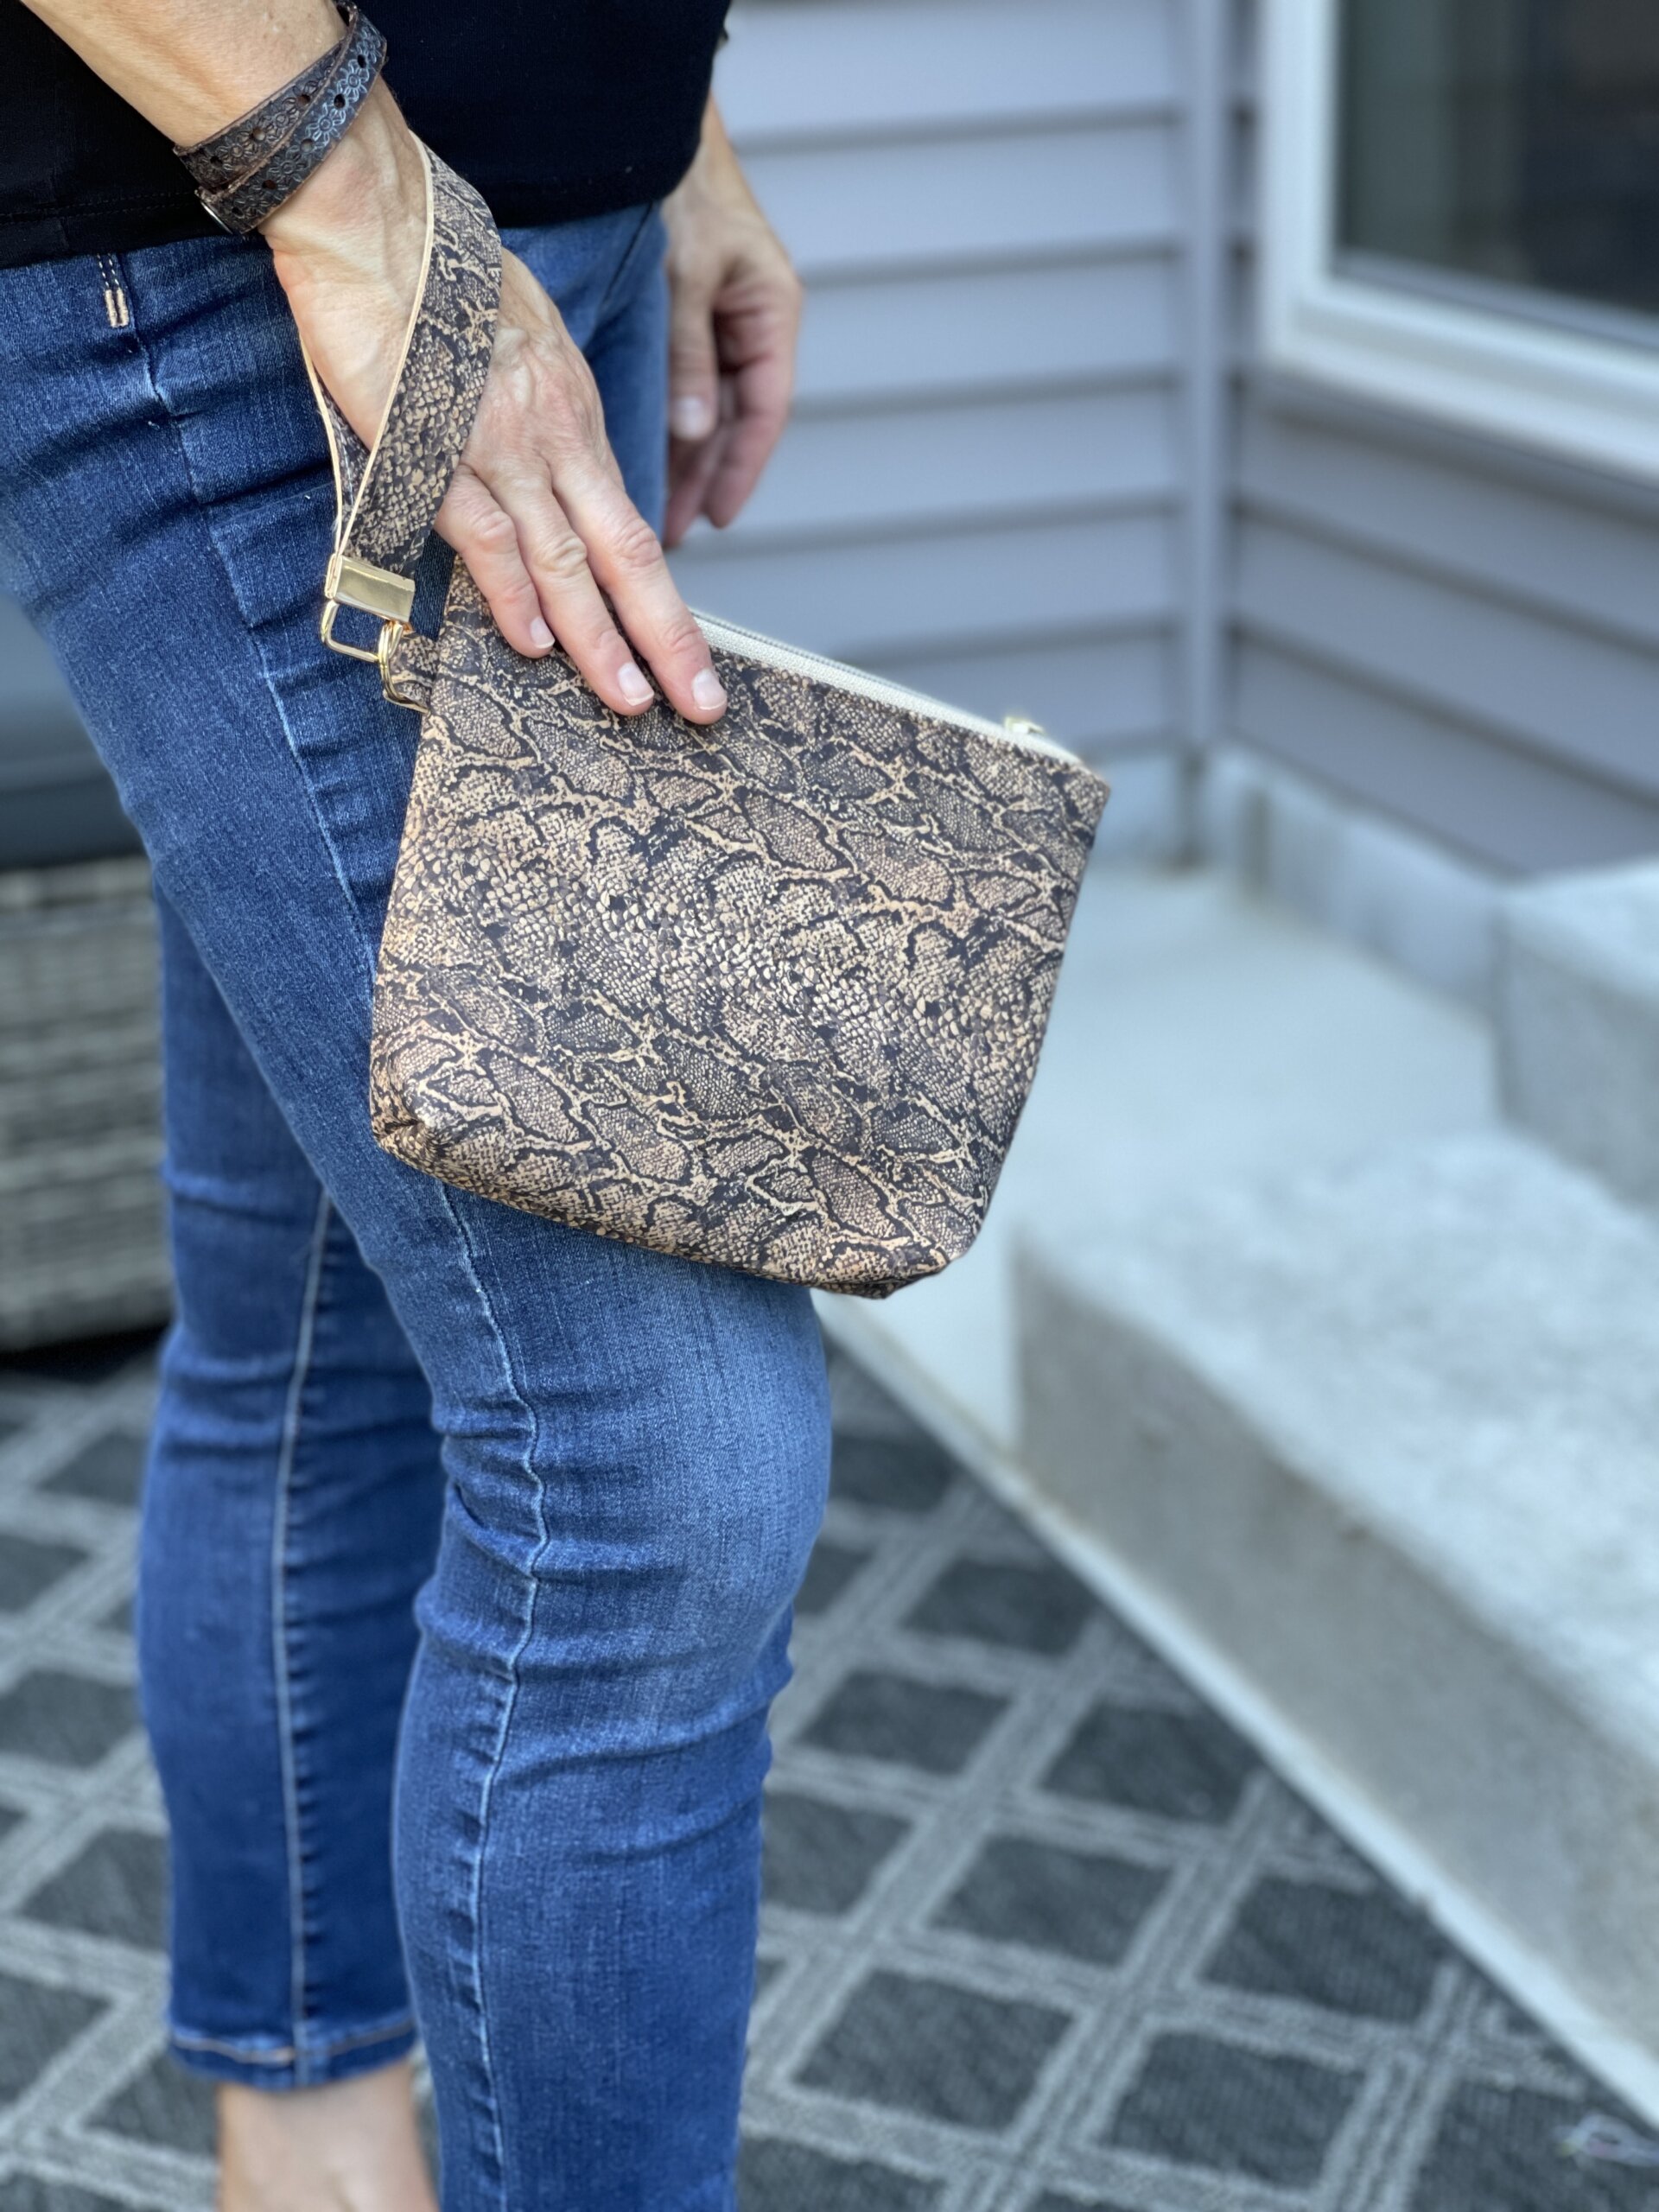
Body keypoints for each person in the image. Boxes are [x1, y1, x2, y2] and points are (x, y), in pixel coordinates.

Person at [0, 4, 826, 2207]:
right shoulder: (318, 202)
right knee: (664, 1455)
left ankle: (306, 2139)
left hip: (531, 221)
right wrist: (342, 184)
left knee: (314, 1316)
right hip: (253, 239)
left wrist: (673, 125)